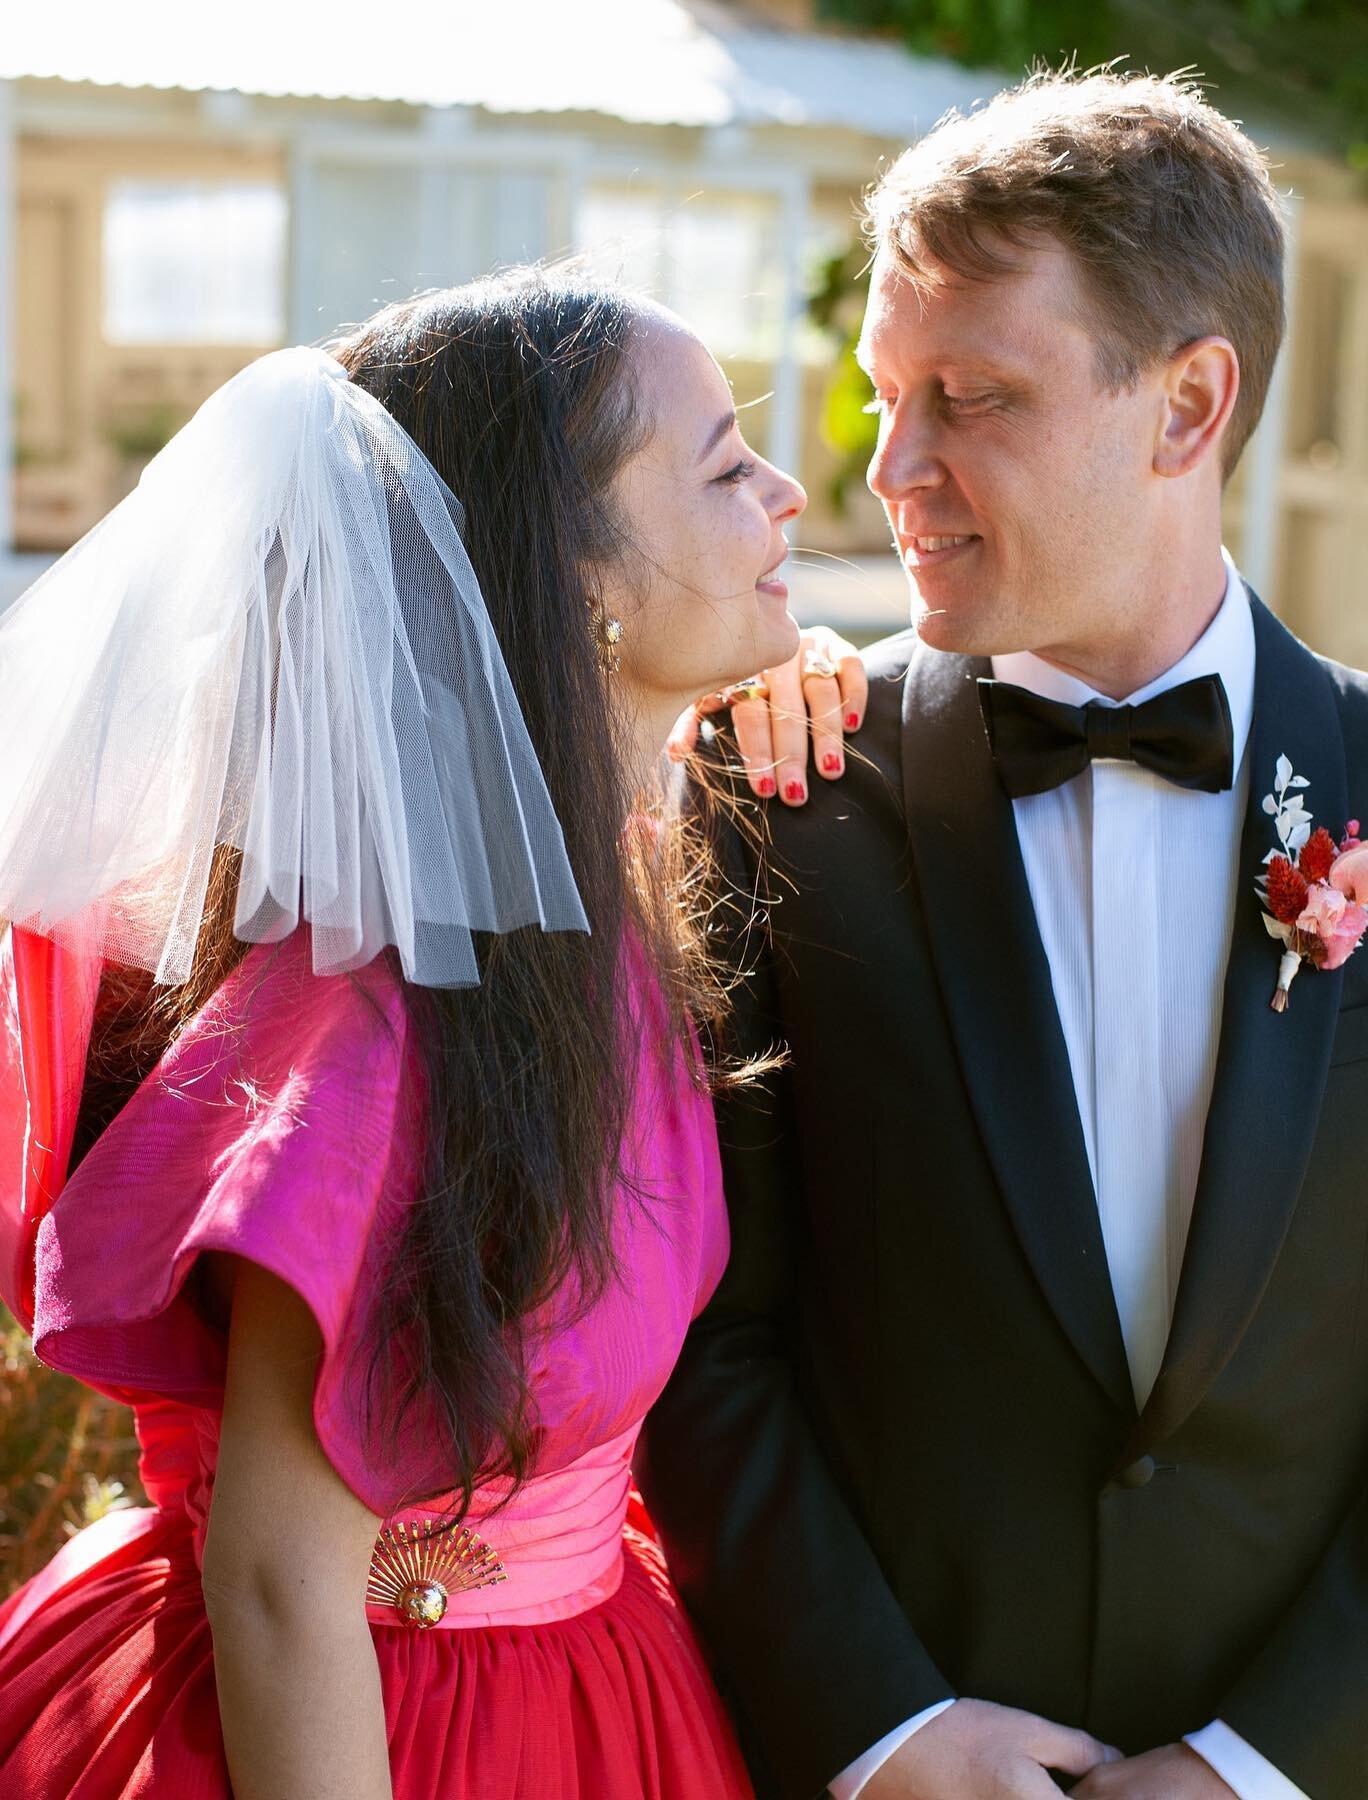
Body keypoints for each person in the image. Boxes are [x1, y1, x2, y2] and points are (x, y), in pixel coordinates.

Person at [639, 68, 1368, 1800]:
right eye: (881, 397)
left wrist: (1264, 1763)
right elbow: (701, 1332)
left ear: (1186, 406)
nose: (889, 468)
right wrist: (884, 1727)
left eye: (972, 398)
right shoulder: (779, 785)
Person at [0, 270, 866, 1800]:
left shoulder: (600, 912)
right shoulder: (395, 1012)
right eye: (727, 464)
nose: (791, 491)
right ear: (571, 572)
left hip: (594, 1682)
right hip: (378, 1728)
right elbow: (280, 1581)